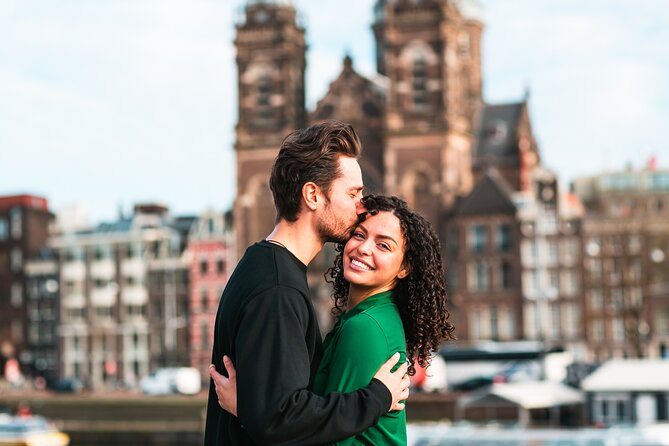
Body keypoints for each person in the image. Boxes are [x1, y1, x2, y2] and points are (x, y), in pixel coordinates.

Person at [204, 120, 410, 446]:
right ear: (313, 195)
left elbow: (273, 412)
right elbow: (280, 418)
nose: (361, 207)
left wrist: (251, 409)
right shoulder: (277, 290)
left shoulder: (268, 268)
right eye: (353, 193)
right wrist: (377, 397)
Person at [213, 195, 456, 444]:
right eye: (359, 235)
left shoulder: (365, 327)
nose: (363, 248)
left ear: (405, 267)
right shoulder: (366, 317)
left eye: (383, 245)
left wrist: (248, 412)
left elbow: (330, 439)